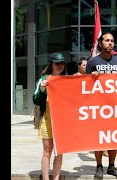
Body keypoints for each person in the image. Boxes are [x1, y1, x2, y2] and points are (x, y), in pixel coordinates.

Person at [85, 32, 117, 178]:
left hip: (115, 108)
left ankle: (112, 166)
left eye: (112, 41)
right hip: (98, 108)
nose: (110, 43)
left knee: (114, 138)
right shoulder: (92, 62)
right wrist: (92, 78)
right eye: (107, 40)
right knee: (99, 139)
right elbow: (84, 87)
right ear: (100, 43)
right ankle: (99, 166)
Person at [32, 52, 67, 180]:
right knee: (47, 151)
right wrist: (41, 89)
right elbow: (35, 100)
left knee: (60, 152)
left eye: (62, 63)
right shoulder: (43, 79)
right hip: (47, 121)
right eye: (57, 63)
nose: (60, 66)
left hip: (62, 122)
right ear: (51, 64)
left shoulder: (67, 80)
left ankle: (56, 178)